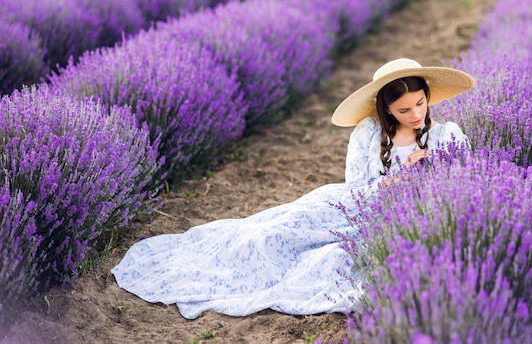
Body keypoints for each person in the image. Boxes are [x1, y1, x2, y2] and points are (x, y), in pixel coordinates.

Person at [111, 58, 475, 319]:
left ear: (428, 97)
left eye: (420, 104)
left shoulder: (446, 135)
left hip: (399, 221)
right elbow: (356, 187)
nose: (414, 115)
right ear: (386, 110)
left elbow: (461, 186)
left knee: (329, 260)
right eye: (402, 109)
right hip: (354, 206)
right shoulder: (368, 134)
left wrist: (425, 172)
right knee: (271, 234)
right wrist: (395, 181)